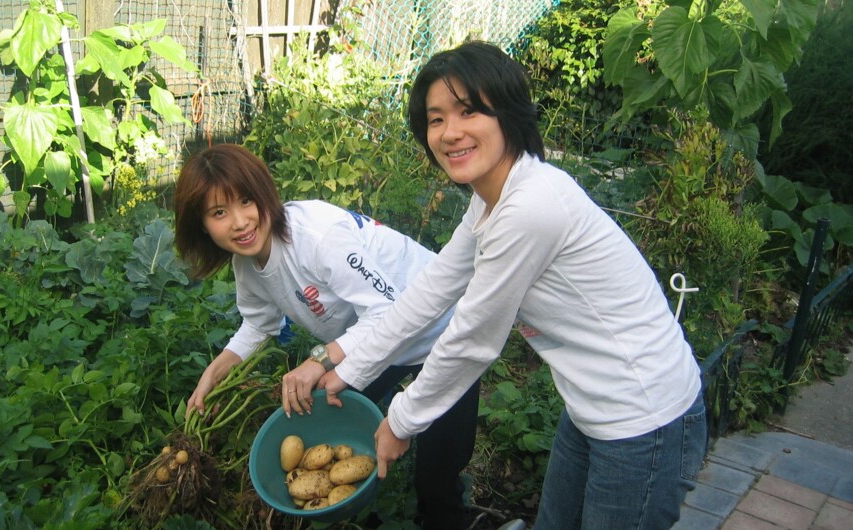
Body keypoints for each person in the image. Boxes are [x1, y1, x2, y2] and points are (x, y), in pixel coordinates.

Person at [318, 41, 707, 529]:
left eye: (468, 111)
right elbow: (432, 290)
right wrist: (353, 368)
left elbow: (473, 338)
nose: (449, 133)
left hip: (645, 417)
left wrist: (401, 421)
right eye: (435, 119)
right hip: (592, 406)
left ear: (507, 114)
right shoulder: (492, 200)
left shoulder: (529, 207)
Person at [172, 143, 479, 529]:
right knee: (332, 416)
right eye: (219, 213)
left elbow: (390, 310)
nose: (240, 222)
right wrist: (213, 374)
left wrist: (317, 361)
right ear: (202, 225)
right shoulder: (247, 264)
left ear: (265, 192)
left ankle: (442, 515)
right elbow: (258, 325)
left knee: (437, 469)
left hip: (441, 329)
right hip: (376, 342)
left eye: (246, 201)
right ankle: (354, 502)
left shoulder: (315, 236)